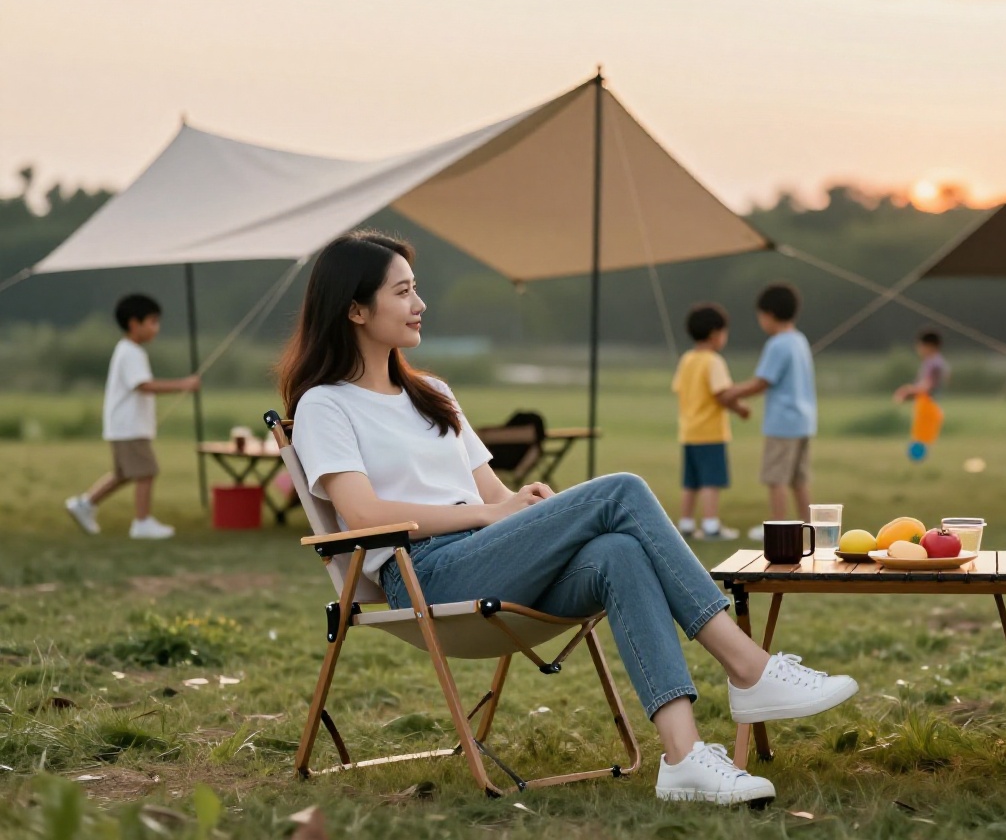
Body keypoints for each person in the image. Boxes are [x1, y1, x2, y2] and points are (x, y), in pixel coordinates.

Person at [278, 230, 857, 807]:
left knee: (619, 552)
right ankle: (748, 667)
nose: (419, 304)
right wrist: (491, 513)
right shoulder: (326, 403)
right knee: (622, 490)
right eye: (402, 292)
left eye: (416, 288)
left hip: (488, 555)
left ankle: (682, 758)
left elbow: (493, 494)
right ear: (356, 309)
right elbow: (361, 512)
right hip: (424, 576)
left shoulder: (433, 393)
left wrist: (527, 507)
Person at [65, 294, 201, 539]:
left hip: (123, 427)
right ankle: (142, 523)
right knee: (147, 472)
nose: (156, 328)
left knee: (124, 474)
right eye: (152, 322)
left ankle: (85, 505)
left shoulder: (128, 351)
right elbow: (144, 386)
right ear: (134, 324)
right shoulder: (131, 352)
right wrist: (183, 384)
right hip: (129, 428)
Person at [721, 283, 816, 540]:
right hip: (804, 422)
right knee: (799, 480)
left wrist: (732, 393)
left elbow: (762, 381)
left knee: (777, 479)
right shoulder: (799, 340)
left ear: (769, 314)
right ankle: (810, 526)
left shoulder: (778, 344)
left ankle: (778, 528)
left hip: (782, 424)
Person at [671, 303, 749, 541]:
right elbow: (721, 394)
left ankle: (685, 524)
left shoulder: (687, 359)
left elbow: (677, 387)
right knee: (710, 482)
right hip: (711, 434)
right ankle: (711, 526)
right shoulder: (713, 361)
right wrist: (740, 408)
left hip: (689, 433)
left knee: (690, 483)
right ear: (716, 333)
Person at [892, 329, 948, 403]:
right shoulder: (933, 362)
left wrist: (906, 392)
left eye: (920, 345)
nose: (918, 349)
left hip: (929, 408)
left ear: (929, 345)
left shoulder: (934, 364)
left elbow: (927, 386)